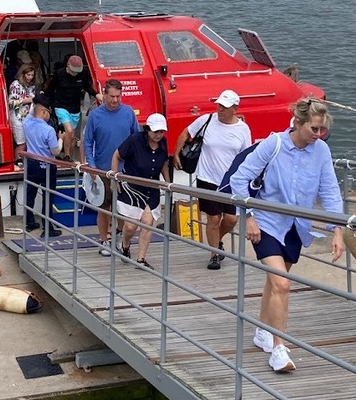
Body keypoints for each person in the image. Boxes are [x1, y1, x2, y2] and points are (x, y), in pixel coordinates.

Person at [230, 97, 345, 373]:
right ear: (298, 123)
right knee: (282, 284)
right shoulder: (274, 144)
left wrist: (337, 231)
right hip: (267, 223)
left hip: (297, 227)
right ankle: (279, 349)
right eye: (315, 129)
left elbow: (329, 190)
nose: (319, 135)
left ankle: (262, 331)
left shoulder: (322, 152)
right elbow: (239, 178)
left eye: (322, 130)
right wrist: (249, 217)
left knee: (274, 284)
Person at [172, 89, 251, 270]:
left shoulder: (243, 129)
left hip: (230, 181)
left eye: (224, 107)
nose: (220, 109)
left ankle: (217, 241)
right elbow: (186, 133)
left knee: (231, 219)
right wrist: (176, 153)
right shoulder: (206, 120)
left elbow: (246, 155)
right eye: (219, 105)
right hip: (206, 177)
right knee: (213, 219)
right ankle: (214, 254)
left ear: (235, 109)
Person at [81, 79, 140, 256]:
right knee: (104, 208)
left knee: (123, 208)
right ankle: (104, 240)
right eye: (112, 96)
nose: (115, 100)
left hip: (124, 171)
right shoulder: (95, 115)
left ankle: (118, 237)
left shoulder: (129, 112)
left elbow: (137, 138)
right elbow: (88, 141)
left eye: (118, 96)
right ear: (104, 95)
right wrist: (91, 167)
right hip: (102, 169)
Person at [110, 113, 171, 269]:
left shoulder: (163, 142)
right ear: (147, 130)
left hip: (151, 189)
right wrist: (114, 177)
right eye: (155, 131)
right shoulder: (135, 140)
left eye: (161, 132)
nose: (159, 135)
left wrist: (168, 182)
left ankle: (141, 259)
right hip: (132, 188)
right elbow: (117, 155)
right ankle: (125, 245)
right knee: (130, 227)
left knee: (148, 223)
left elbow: (163, 162)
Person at [21, 93, 63, 237]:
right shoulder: (49, 130)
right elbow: (55, 150)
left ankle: (29, 222)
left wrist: (37, 102)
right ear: (44, 112)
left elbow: (34, 111)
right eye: (48, 113)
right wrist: (61, 139)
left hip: (31, 163)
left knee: (30, 193)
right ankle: (48, 228)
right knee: (48, 197)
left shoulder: (27, 123)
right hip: (47, 165)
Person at [47, 54, 96, 161]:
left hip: (75, 108)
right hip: (60, 106)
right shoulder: (59, 74)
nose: (75, 73)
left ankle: (70, 160)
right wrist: (50, 106)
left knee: (72, 136)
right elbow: (50, 90)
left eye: (77, 71)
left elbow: (87, 86)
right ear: (68, 65)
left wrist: (96, 94)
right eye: (73, 70)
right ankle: (67, 156)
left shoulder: (83, 73)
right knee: (68, 131)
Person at [8, 63, 38, 161]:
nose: (30, 77)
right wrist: (26, 100)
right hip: (17, 118)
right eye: (28, 75)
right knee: (21, 143)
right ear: (22, 74)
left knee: (29, 143)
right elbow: (10, 103)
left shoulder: (32, 86)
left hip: (29, 118)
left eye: (32, 75)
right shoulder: (15, 85)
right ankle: (17, 161)